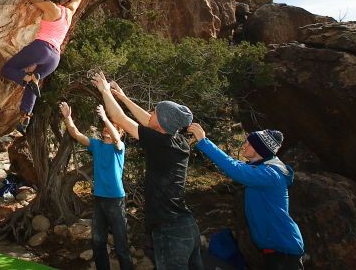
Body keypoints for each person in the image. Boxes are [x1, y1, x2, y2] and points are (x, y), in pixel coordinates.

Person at [92, 72, 203, 270]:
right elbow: (148, 120)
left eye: (154, 111)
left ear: (160, 124)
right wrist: (124, 97)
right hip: (187, 226)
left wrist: (105, 91)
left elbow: (119, 117)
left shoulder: (160, 143)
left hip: (171, 232)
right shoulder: (177, 141)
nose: (150, 112)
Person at [188, 123, 304, 270]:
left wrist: (204, 142)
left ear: (260, 149)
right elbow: (237, 165)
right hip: (276, 249)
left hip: (284, 251)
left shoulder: (271, 175)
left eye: (249, 143)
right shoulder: (263, 170)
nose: (244, 145)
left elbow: (236, 169)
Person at [0, 0, 84, 133]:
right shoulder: (68, 12)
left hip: (42, 48)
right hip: (54, 58)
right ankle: (25, 117)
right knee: (34, 81)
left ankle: (27, 80)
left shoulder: (50, 7)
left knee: (7, 69)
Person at [60, 101, 133, 270]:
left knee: (121, 244)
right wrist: (68, 118)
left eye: (113, 128)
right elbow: (76, 134)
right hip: (99, 199)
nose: (107, 129)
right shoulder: (97, 146)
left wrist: (106, 118)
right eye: (105, 127)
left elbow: (116, 138)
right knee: (98, 241)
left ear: (120, 133)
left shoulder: (119, 148)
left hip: (116, 200)